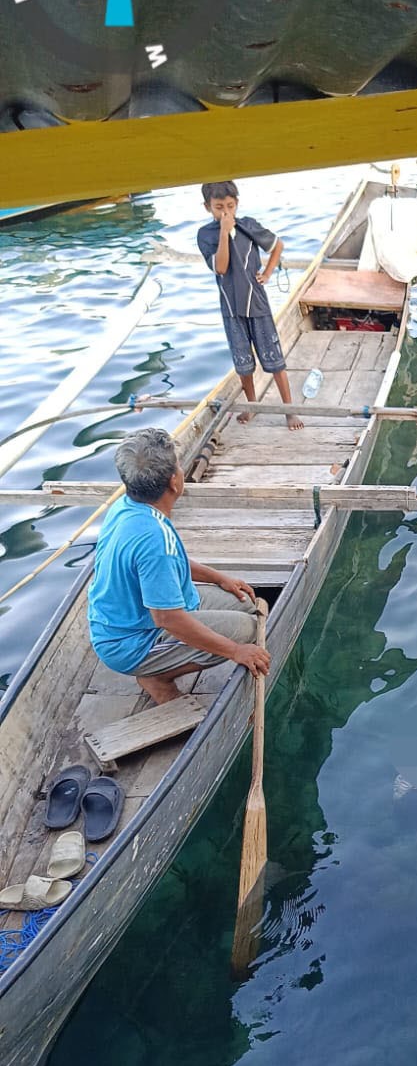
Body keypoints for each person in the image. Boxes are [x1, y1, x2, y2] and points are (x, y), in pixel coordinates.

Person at [87, 429, 270, 706]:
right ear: (174, 481)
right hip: (132, 641)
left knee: (246, 602)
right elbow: (168, 619)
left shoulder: (126, 506)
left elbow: (166, 565)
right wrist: (235, 651)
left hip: (130, 617)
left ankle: (162, 665)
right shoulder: (154, 539)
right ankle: (157, 676)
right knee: (248, 630)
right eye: (179, 467)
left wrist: (218, 578)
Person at [197, 181, 302, 430]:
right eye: (219, 207)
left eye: (230, 206)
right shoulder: (206, 235)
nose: (226, 212)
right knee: (243, 361)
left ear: (237, 204)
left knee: (274, 359)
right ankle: (252, 405)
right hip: (231, 308)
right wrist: (224, 233)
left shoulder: (247, 225)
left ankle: (289, 410)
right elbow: (221, 267)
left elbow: (277, 245)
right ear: (207, 207)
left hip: (257, 303)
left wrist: (267, 273)